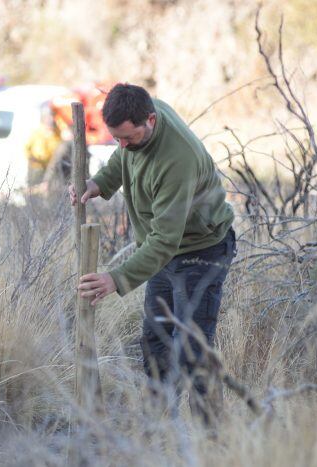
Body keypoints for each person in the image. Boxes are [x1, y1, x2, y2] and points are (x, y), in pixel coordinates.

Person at [69, 83, 236, 422]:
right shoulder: (138, 123)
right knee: (156, 340)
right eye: (117, 137)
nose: (123, 145)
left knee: (192, 347)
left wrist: (115, 279)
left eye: (128, 137)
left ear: (150, 119)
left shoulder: (178, 159)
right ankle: (158, 423)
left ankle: (212, 435)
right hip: (164, 251)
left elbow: (164, 240)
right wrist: (97, 184)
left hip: (201, 252)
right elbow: (123, 158)